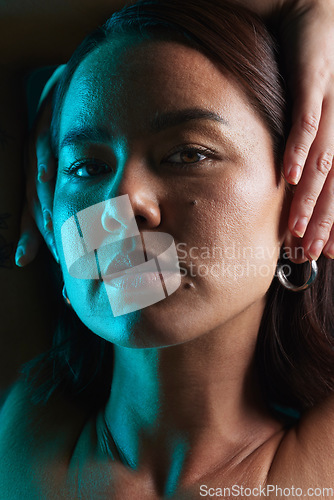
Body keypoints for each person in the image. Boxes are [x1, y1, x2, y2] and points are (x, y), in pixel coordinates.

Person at [0, 0, 334, 498]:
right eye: (86, 167)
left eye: (188, 154)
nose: (121, 202)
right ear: (49, 210)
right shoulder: (19, 432)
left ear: (300, 195)